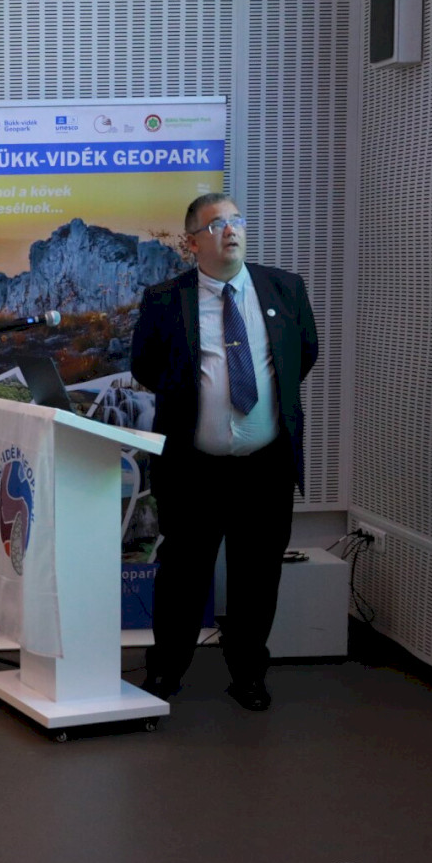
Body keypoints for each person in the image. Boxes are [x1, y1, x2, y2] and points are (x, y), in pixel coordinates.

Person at [129, 193, 319, 711]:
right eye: (216, 225)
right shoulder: (165, 299)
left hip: (266, 466)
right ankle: (166, 671)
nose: (230, 230)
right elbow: (145, 365)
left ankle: (249, 675)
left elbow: (303, 355)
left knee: (257, 575)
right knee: (183, 575)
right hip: (193, 468)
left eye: (236, 220)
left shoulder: (285, 288)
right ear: (193, 242)